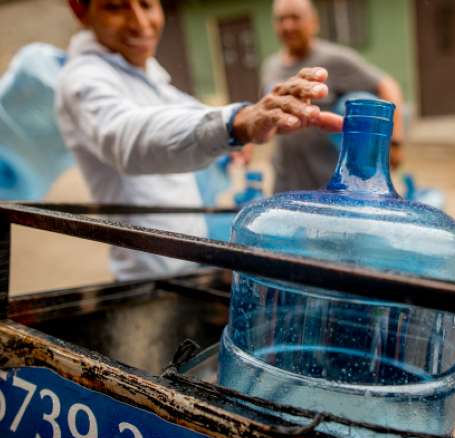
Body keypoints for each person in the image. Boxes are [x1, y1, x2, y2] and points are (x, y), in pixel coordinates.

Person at [57, 0, 342, 280]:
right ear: (80, 10)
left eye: (146, 5)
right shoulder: (84, 79)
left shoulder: (150, 77)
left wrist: (247, 124)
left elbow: (195, 115)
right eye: (115, 7)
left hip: (191, 264)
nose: (140, 24)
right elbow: (126, 137)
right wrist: (239, 123)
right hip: (150, 279)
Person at [263, 0, 404, 193]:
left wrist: (395, 143)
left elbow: (388, 85)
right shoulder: (269, 66)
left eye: (295, 17)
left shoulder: (334, 60)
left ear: (314, 22)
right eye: (281, 19)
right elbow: (264, 109)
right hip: (284, 181)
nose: (288, 25)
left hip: (327, 184)